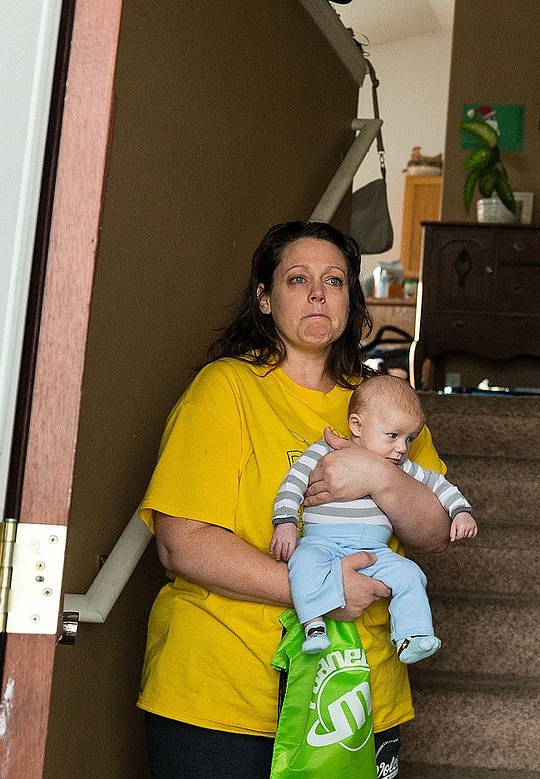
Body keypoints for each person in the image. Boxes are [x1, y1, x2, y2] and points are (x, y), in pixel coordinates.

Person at [136, 220, 453, 779]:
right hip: (224, 692)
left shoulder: (384, 404)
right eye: (297, 279)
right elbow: (181, 544)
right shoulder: (225, 388)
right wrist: (326, 590)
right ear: (264, 297)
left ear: (351, 299)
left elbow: (432, 532)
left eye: (333, 281)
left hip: (355, 691)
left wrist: (379, 477)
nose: (316, 293)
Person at [270, 373, 478, 662]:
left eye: (409, 439)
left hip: (375, 552)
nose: (402, 448)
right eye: (393, 436)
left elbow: (439, 485)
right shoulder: (325, 450)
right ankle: (313, 625)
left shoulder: (399, 467)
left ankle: (412, 636)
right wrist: (286, 523)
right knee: (302, 564)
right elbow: (292, 484)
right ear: (356, 425)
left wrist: (461, 511)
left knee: (410, 574)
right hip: (322, 543)